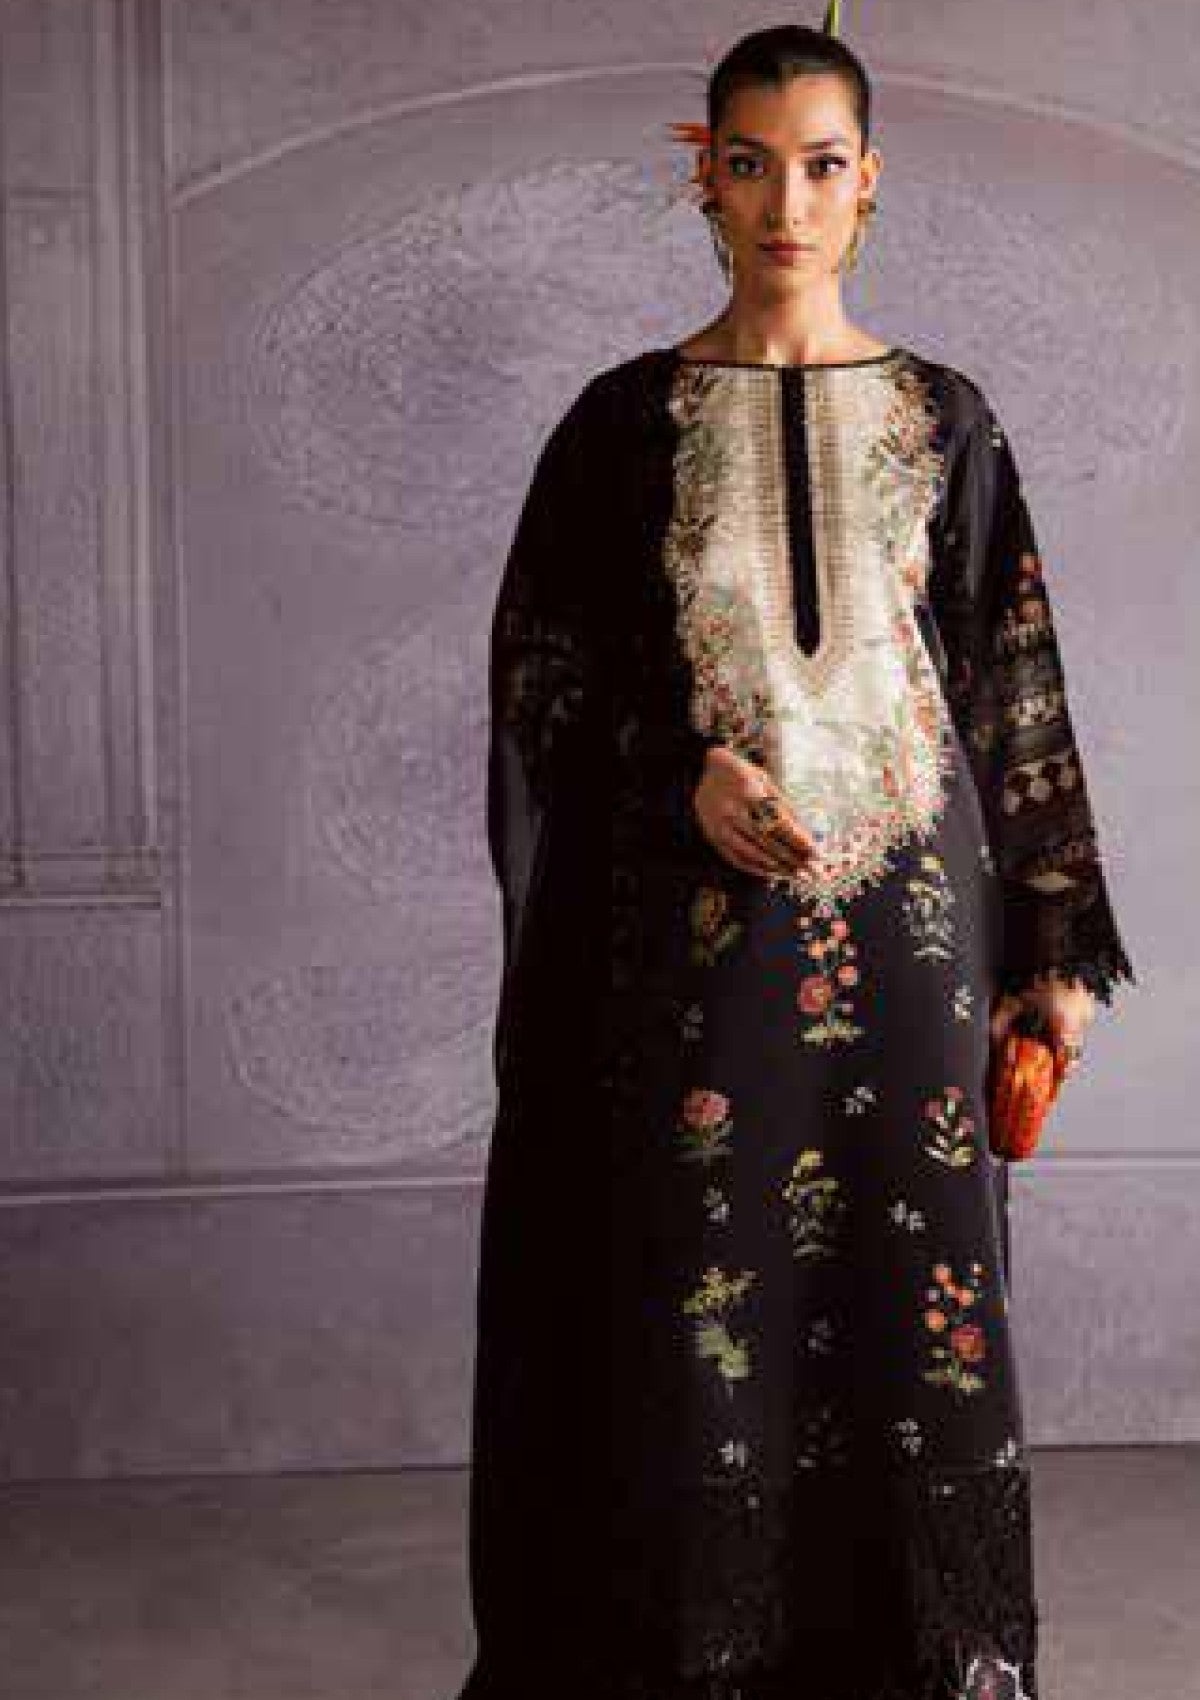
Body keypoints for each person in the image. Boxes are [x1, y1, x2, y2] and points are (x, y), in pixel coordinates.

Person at [456, 13, 1136, 1700]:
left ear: (869, 180)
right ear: (703, 177)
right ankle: (703, 1653)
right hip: (700, 958)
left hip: (916, 946)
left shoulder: (947, 418)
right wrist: (676, 778)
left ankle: (922, 1659)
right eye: (751, 166)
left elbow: (1012, 680)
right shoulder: (622, 428)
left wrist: (1053, 949)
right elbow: (544, 685)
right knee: (706, 1303)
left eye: (821, 166)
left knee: (920, 1296)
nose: (786, 204)